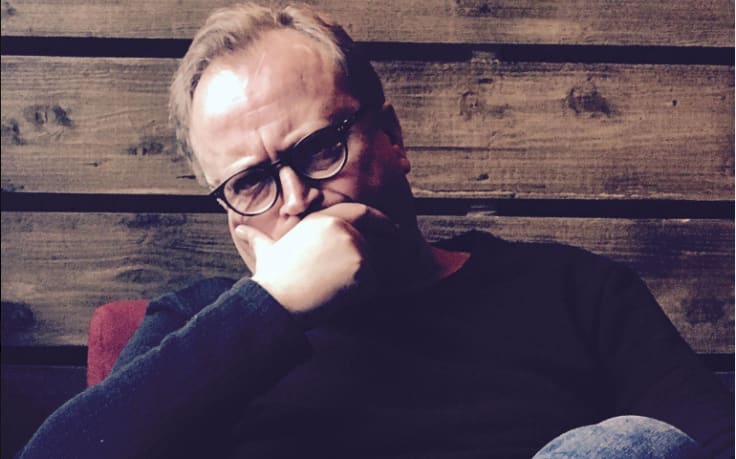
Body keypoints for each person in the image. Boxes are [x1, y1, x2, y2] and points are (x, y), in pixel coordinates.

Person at [18, 3, 733, 458]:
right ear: (233, 216)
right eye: (251, 183)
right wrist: (269, 306)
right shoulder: (196, 326)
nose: (297, 199)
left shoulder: (572, 290)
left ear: (392, 137)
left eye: (318, 148)